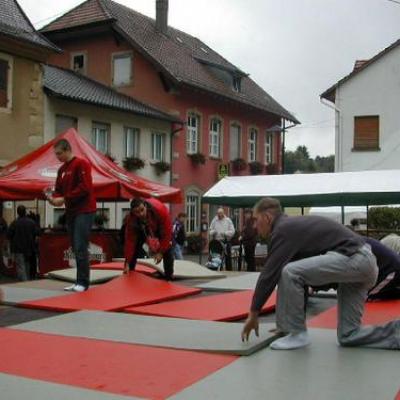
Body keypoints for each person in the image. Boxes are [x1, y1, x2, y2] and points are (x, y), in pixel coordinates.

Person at [241, 197, 400, 350]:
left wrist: (254, 313)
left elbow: (269, 274)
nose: (254, 226)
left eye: (256, 219)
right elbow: (297, 285)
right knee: (348, 335)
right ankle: (396, 333)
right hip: (360, 266)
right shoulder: (292, 230)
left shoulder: (283, 229)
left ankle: (297, 335)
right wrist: (288, 326)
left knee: (289, 272)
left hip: (356, 259)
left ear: (267, 217)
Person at [46, 138, 96, 292]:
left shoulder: (81, 164)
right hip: (71, 211)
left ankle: (83, 282)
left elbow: (85, 188)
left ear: (68, 150)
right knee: (75, 247)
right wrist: (52, 197)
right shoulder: (61, 170)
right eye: (56, 154)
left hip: (85, 210)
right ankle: (79, 281)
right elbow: (59, 191)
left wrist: (64, 198)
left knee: (80, 246)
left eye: (59, 153)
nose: (58, 157)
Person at [124, 197, 174, 280]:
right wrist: (127, 262)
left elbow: (167, 234)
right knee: (135, 246)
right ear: (133, 212)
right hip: (143, 228)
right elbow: (130, 242)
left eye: (142, 210)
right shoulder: (132, 220)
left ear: (145, 206)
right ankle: (130, 272)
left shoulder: (160, 210)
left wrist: (160, 252)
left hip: (159, 226)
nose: (140, 214)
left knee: (168, 250)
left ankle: (169, 276)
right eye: (137, 212)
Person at [7, 205, 39, 281]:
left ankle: (24, 282)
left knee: (20, 266)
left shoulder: (14, 223)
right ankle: (25, 280)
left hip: (18, 248)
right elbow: (37, 234)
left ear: (18, 213)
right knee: (27, 265)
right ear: (25, 212)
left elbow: (8, 235)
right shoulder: (32, 222)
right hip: (29, 248)